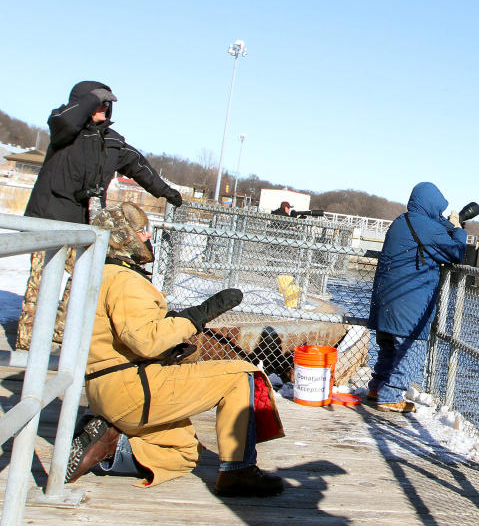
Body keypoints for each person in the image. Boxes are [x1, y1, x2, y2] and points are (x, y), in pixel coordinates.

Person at [67, 202, 285, 496]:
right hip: (132, 388)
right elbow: (146, 340)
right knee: (241, 375)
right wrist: (198, 315)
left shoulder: (97, 275)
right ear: (122, 238)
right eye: (141, 231)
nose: (147, 237)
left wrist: (172, 343)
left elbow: (125, 338)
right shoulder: (124, 280)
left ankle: (112, 446)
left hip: (105, 390)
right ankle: (238, 472)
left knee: (183, 453)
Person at [17, 81, 183, 350]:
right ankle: (28, 340)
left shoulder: (112, 141)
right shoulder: (64, 128)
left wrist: (166, 191)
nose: (105, 108)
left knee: (81, 277)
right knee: (42, 279)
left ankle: (59, 332)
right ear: (84, 102)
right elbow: (68, 121)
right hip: (49, 216)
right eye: (99, 103)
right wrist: (90, 99)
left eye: (108, 104)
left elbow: (139, 166)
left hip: (83, 223)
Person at [367, 182, 467, 412]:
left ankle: (377, 387)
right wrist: (459, 230)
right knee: (412, 349)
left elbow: (433, 229)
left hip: (386, 300)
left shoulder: (402, 221)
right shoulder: (426, 227)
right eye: (439, 209)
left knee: (389, 347)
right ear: (431, 204)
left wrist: (447, 223)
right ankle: (390, 395)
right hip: (409, 302)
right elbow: (456, 252)